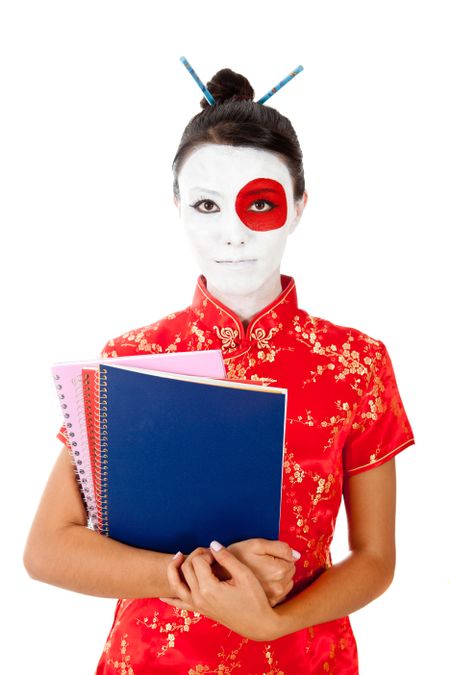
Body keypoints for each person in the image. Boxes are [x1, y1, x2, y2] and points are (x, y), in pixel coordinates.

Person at [23, 65, 415, 674]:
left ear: (300, 205)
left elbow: (376, 557)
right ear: (178, 206)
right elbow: (47, 549)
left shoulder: (356, 364)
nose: (231, 232)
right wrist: (187, 576)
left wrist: (273, 620)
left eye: (259, 202)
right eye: (207, 203)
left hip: (302, 657)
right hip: (153, 660)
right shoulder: (130, 360)